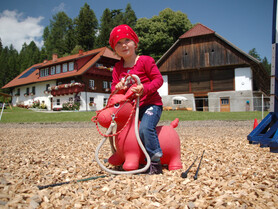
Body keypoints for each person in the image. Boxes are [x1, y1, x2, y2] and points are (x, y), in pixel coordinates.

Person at [109, 24, 164, 174]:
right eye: (118, 43)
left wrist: (144, 88)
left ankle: (155, 161)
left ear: (135, 43)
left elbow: (158, 80)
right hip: (131, 108)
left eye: (127, 40)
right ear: (115, 49)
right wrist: (119, 87)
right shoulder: (117, 68)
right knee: (123, 131)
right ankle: (124, 154)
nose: (123, 45)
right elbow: (114, 90)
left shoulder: (145, 60)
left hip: (150, 104)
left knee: (145, 128)